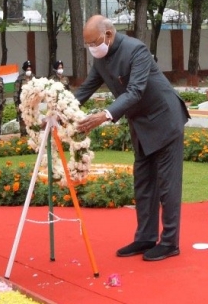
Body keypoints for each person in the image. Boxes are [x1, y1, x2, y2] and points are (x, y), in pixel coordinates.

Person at [76, 15, 190, 262]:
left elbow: (135, 91)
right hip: (140, 125)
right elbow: (84, 90)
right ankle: (145, 237)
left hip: (164, 120)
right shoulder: (101, 60)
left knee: (168, 185)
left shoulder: (135, 49)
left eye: (94, 42)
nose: (92, 48)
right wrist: (58, 110)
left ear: (108, 34)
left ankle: (169, 242)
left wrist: (104, 115)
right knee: (143, 184)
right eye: (88, 45)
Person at [14, 60, 34, 137]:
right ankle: (23, 137)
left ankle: (32, 137)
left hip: (32, 104)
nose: (29, 70)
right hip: (22, 104)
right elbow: (16, 93)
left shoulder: (33, 77)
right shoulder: (20, 79)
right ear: (25, 69)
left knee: (32, 121)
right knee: (23, 121)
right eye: (27, 69)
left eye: (30, 69)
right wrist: (16, 105)